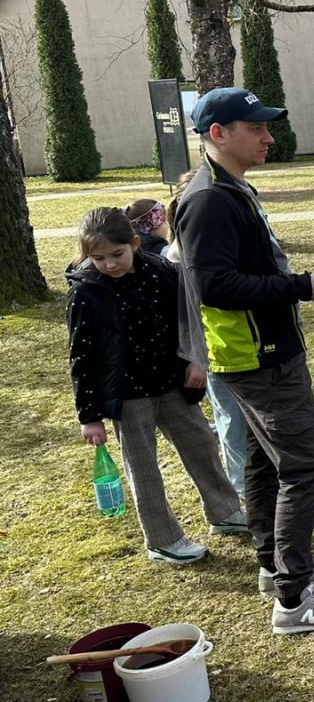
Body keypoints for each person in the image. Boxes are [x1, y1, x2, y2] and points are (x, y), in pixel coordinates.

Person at [174, 86, 314, 635]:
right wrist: (298, 285)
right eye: (256, 128)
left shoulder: (231, 189)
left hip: (260, 352)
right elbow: (215, 285)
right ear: (218, 134)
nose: (269, 136)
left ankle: (273, 564)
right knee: (304, 467)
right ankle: (295, 599)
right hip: (258, 357)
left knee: (263, 463)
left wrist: (291, 285)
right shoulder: (208, 198)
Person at [66, 207, 245, 565]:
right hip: (129, 396)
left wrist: (197, 359)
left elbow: (189, 319)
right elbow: (82, 358)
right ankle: (163, 539)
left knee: (202, 445)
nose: (110, 264)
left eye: (117, 254)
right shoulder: (86, 294)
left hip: (173, 383)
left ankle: (225, 511)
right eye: (98, 258)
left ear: (134, 243)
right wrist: (90, 416)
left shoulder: (162, 272)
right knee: (143, 467)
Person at [166, 172, 248, 495]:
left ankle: (253, 484)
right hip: (213, 350)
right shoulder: (178, 258)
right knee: (231, 418)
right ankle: (241, 488)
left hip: (238, 343)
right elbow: (187, 315)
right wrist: (197, 357)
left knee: (242, 417)